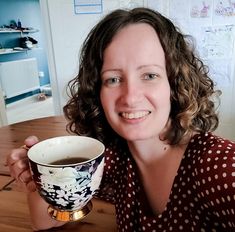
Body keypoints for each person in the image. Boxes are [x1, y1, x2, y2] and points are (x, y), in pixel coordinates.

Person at [6, 7, 235, 231]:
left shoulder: (216, 169)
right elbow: (47, 221)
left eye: (150, 75)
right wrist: (39, 176)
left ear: (174, 85)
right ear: (98, 92)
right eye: (113, 79)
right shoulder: (113, 159)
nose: (131, 97)